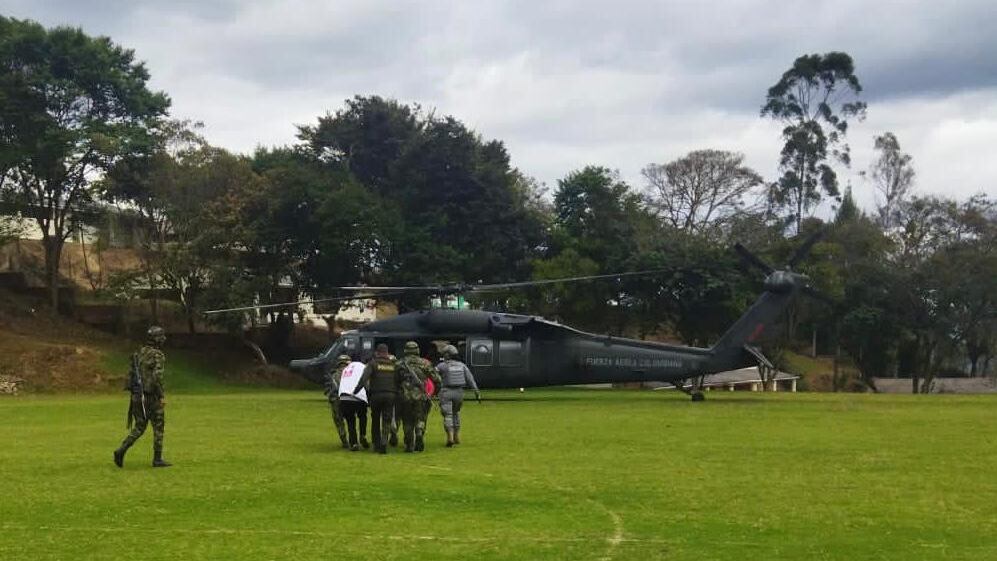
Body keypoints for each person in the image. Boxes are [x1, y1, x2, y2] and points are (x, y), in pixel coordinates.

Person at [114, 326, 171, 468]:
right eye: (161, 336)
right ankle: (157, 459)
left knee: (139, 427)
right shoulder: (158, 355)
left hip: (136, 396)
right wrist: (161, 395)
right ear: (157, 339)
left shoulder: (140, 352)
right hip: (150, 397)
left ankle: (121, 450)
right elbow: (157, 377)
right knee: (158, 426)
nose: (163, 339)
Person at [353, 343, 401, 454]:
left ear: (377, 352)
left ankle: (377, 443)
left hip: (376, 395)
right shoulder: (394, 365)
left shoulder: (373, 364)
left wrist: (355, 391)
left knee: (375, 419)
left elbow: (364, 379)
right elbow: (398, 380)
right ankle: (384, 441)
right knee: (387, 420)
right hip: (390, 395)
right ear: (387, 353)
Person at [395, 341, 442, 453]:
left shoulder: (399, 364)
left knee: (407, 421)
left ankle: (409, 445)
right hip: (422, 396)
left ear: (405, 351)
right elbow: (438, 380)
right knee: (421, 418)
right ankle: (419, 432)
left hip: (405, 396)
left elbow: (395, 381)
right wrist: (435, 393)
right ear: (417, 350)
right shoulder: (425, 363)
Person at [436, 344, 480, 447]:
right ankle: (457, 437)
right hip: (459, 392)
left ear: (447, 355)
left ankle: (450, 437)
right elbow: (470, 379)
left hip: (446, 392)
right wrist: (476, 391)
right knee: (456, 413)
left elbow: (433, 374)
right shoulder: (462, 365)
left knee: (448, 415)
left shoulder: (442, 366)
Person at [337, 355, 370, 451]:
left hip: (343, 397)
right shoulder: (363, 367)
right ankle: (362, 435)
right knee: (362, 417)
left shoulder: (346, 369)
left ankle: (354, 443)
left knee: (350, 422)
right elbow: (366, 382)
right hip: (358, 396)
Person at [324, 355, 351, 448]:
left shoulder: (333, 374)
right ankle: (354, 440)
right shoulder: (352, 374)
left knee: (339, 421)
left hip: (336, 400)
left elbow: (328, 390)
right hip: (349, 400)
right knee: (351, 420)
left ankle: (344, 439)